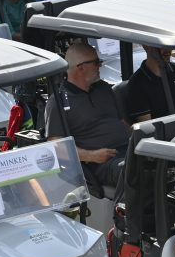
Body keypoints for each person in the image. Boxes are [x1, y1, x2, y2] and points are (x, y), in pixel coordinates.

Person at [45, 43, 129, 188]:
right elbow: (56, 146)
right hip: (101, 164)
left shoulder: (104, 89)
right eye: (96, 62)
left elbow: (122, 123)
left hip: (127, 150)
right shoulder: (58, 100)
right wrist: (92, 155)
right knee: (134, 171)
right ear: (81, 67)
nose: (100, 66)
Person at [124, 44, 175, 122]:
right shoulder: (136, 83)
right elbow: (148, 127)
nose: (168, 49)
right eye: (161, 45)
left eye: (169, 44)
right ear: (146, 46)